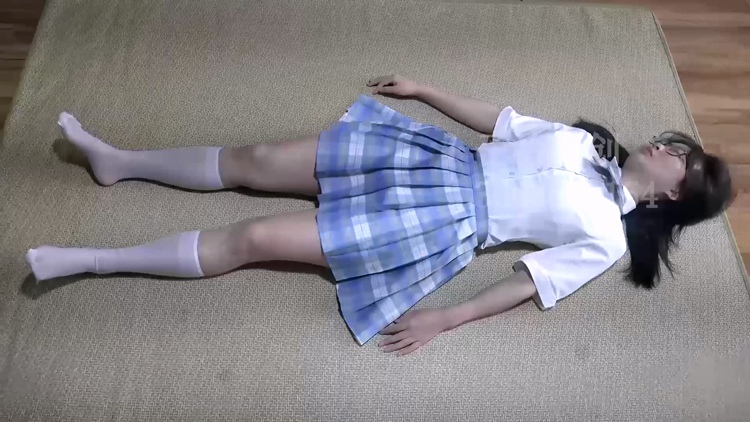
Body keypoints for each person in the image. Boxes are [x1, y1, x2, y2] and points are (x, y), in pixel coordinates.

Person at [25, 75, 734, 356]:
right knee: (255, 158)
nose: (669, 149)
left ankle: (91, 262)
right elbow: (503, 121)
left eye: (683, 161)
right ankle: (118, 161)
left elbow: (528, 282)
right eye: (677, 145)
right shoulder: (586, 143)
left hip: (436, 226)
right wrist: (426, 91)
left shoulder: (607, 239)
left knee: (254, 237)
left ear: (675, 196)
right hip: (433, 161)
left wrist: (444, 319)